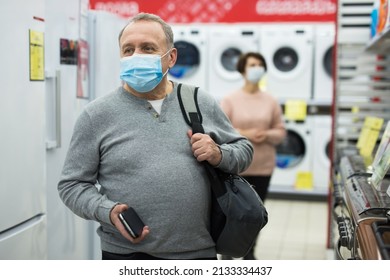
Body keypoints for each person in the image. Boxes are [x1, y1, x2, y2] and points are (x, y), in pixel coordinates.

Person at [57, 12, 253, 260]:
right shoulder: (96, 115)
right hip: (126, 253)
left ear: (171, 57)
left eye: (148, 48)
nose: (136, 56)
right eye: (128, 50)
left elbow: (244, 151)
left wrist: (218, 153)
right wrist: (108, 210)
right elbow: (71, 185)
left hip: (196, 252)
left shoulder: (198, 101)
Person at [220, 52, 286, 260]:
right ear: (242, 69)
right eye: (252, 64)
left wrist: (266, 134)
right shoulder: (230, 100)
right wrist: (246, 134)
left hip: (263, 166)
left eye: (260, 64)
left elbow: (281, 132)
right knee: (230, 214)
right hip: (235, 166)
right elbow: (221, 132)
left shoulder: (271, 100)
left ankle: (250, 253)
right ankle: (227, 252)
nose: (257, 68)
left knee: (256, 215)